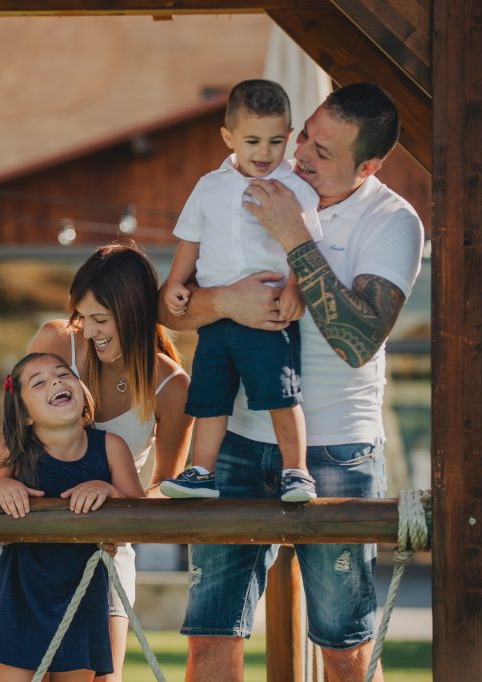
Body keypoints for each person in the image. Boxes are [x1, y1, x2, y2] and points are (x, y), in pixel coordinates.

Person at [163, 83, 424, 682]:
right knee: (210, 638)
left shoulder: (393, 222)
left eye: (322, 151)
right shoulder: (243, 183)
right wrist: (223, 300)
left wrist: (296, 238)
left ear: (370, 166)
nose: (300, 152)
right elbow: (171, 310)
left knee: (343, 646)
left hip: (337, 453)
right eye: (304, 133)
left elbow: (359, 340)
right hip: (234, 443)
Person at [0, 243, 193, 682]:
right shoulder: (56, 344)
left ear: (134, 312)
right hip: (17, 542)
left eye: (101, 320)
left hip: (100, 551)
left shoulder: (172, 387)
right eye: (83, 317)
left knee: (102, 675)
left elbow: (168, 485)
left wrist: (115, 498)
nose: (88, 331)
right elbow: (6, 448)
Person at [159, 79, 322, 503]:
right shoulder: (209, 186)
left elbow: (305, 246)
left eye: (275, 141)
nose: (264, 152)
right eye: (252, 141)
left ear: (289, 136)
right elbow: (190, 240)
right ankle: (201, 472)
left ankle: (296, 470)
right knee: (209, 397)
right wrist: (177, 282)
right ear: (228, 137)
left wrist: (295, 288)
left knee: (280, 395)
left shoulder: (296, 188)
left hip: (269, 313)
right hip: (216, 316)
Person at [0, 352, 145, 681]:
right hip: (20, 595)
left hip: (83, 594)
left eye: (63, 374)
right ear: (24, 414)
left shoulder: (111, 447)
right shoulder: (15, 450)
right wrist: (0, 485)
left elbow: (142, 514)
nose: (55, 381)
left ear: (81, 390)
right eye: (39, 383)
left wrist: (110, 492)